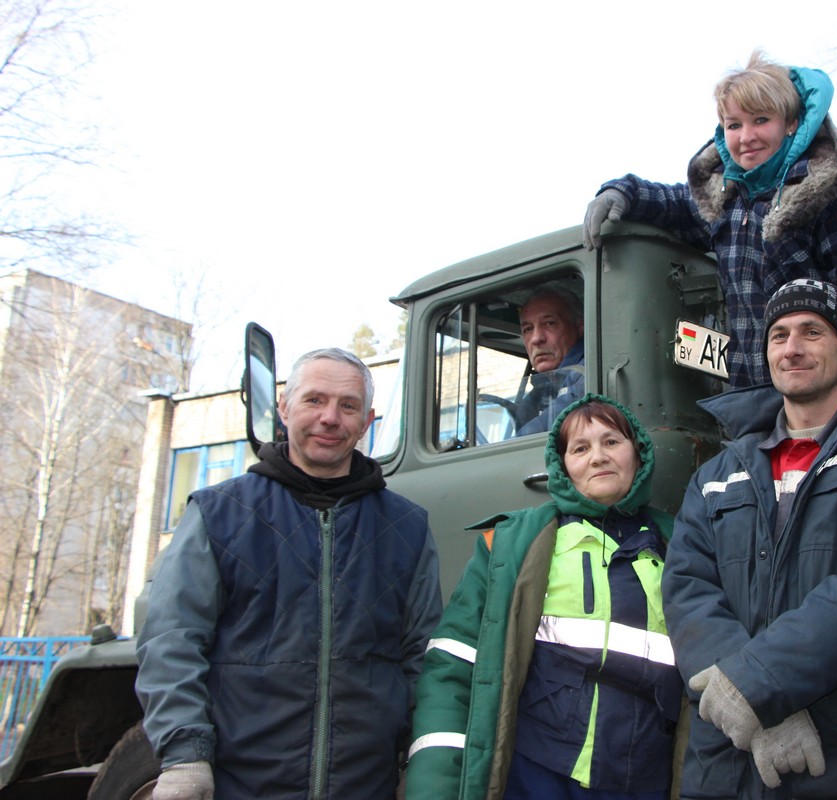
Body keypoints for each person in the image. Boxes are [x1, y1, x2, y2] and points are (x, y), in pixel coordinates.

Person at [662, 278, 837, 799]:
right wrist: (749, 703)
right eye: (779, 335)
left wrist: (759, 682)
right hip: (725, 758)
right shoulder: (720, 469)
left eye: (812, 332)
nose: (792, 348)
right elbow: (687, 587)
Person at [135, 348, 443, 800]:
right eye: (314, 400)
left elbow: (424, 657)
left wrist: (417, 762)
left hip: (364, 785)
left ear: (368, 420)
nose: (330, 418)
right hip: (239, 785)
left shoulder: (407, 527)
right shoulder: (219, 513)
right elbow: (172, 639)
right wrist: (185, 759)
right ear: (284, 408)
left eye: (348, 405)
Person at [584, 50, 837, 399]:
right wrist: (623, 192)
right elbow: (676, 204)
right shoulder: (727, 198)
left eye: (761, 120)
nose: (746, 137)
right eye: (734, 125)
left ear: (791, 122)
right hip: (761, 402)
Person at [405, 394, 683, 799]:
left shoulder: (680, 544)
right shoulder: (508, 547)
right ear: (563, 466)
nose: (598, 457)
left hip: (644, 778)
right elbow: (453, 667)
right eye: (581, 448)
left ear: (638, 453)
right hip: (538, 776)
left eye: (612, 442)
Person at [512, 287, 586, 436]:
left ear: (579, 327)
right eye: (527, 329)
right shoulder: (539, 394)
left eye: (550, 323)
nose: (536, 338)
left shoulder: (587, 371)